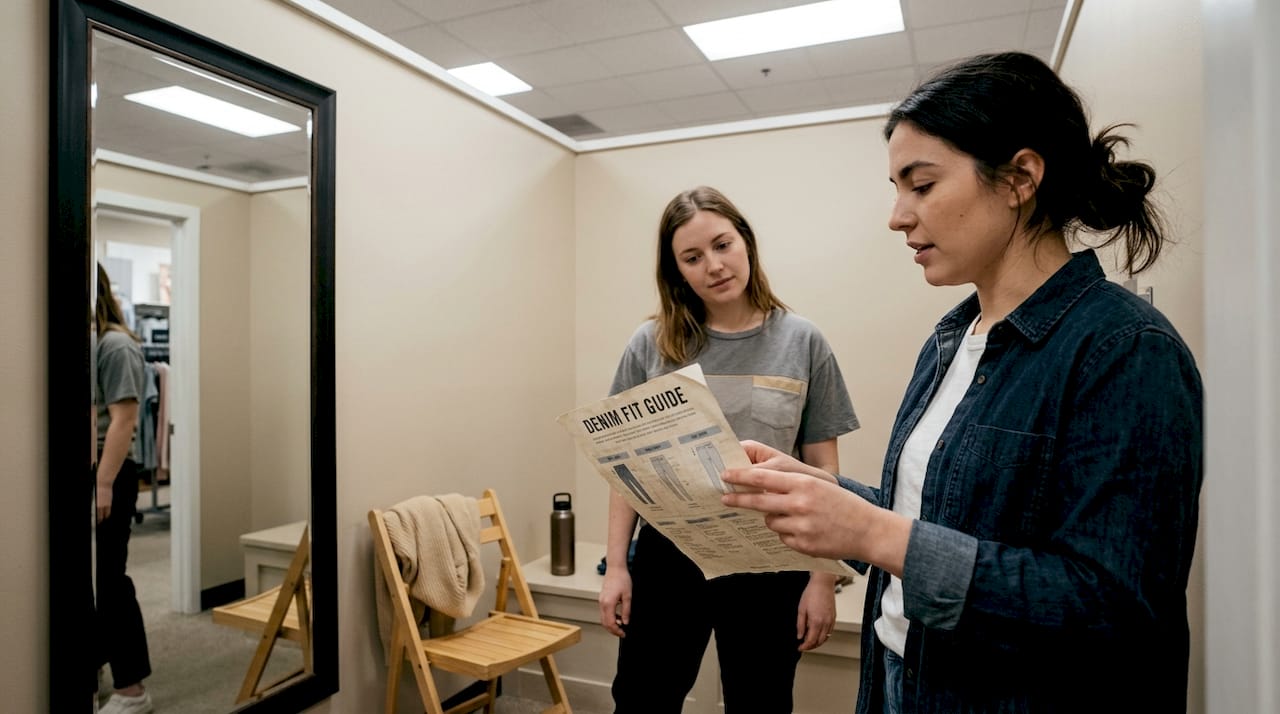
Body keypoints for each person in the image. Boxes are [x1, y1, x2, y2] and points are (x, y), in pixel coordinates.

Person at [721, 52, 1204, 714]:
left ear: (1020, 178)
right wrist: (827, 497)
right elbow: (939, 517)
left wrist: (872, 534)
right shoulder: (952, 339)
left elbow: (1113, 610)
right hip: (899, 677)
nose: (897, 215)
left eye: (921, 186)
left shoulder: (1125, 350)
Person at [598, 186, 860, 712]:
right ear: (676, 271)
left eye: (722, 245)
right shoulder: (650, 344)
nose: (714, 266)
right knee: (643, 699)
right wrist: (619, 566)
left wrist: (822, 579)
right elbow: (626, 470)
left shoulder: (803, 341)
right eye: (692, 257)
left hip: (771, 556)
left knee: (760, 701)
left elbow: (823, 470)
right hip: (669, 554)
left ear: (746, 242)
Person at [93, 262, 155, 714]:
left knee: (110, 579)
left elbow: (125, 418)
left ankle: (132, 688)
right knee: (90, 579)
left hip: (111, 472)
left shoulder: (115, 344)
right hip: (94, 471)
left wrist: (103, 483)